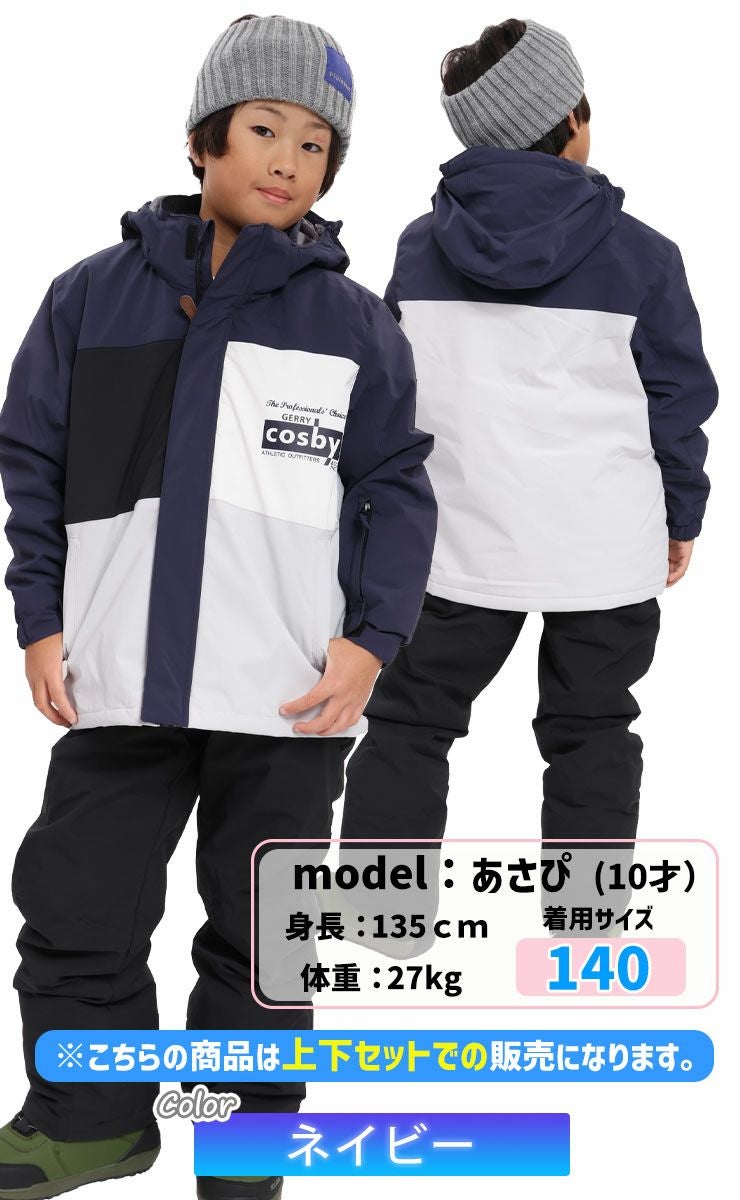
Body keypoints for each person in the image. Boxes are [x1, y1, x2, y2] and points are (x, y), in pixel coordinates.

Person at [0, 13, 436, 1200]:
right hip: (119, 676)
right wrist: (40, 617)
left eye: (315, 145)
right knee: (77, 904)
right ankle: (94, 1123)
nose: (288, 160)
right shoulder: (92, 297)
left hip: (285, 690)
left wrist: (371, 641)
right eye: (263, 129)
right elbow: (33, 463)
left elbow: (395, 489)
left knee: (264, 934)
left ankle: (243, 1141)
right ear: (203, 140)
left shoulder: (354, 324)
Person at [339, 19, 717, 886]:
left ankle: (378, 917)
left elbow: (394, 391)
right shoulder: (644, 257)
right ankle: (585, 928)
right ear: (573, 118)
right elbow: (678, 404)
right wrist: (680, 515)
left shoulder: (419, 248)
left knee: (410, 721)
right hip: (605, 549)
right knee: (594, 730)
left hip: (455, 548)